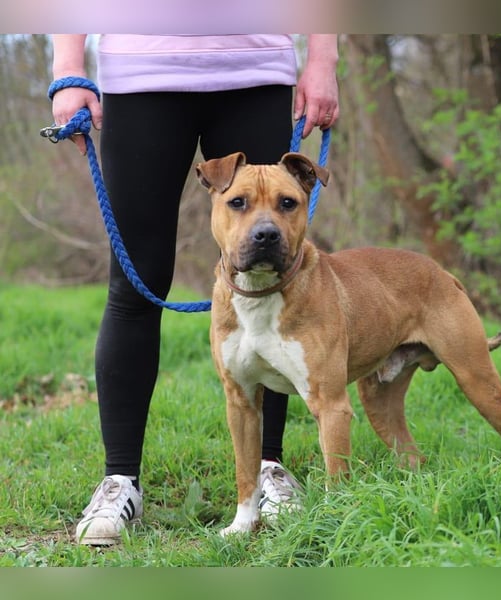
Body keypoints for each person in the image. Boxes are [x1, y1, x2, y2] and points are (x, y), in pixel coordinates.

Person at [50, 34, 339, 545]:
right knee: (134, 285)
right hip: (142, 70)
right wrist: (67, 67)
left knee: (277, 278)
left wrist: (323, 57)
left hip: (255, 66)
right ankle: (120, 481)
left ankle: (269, 471)